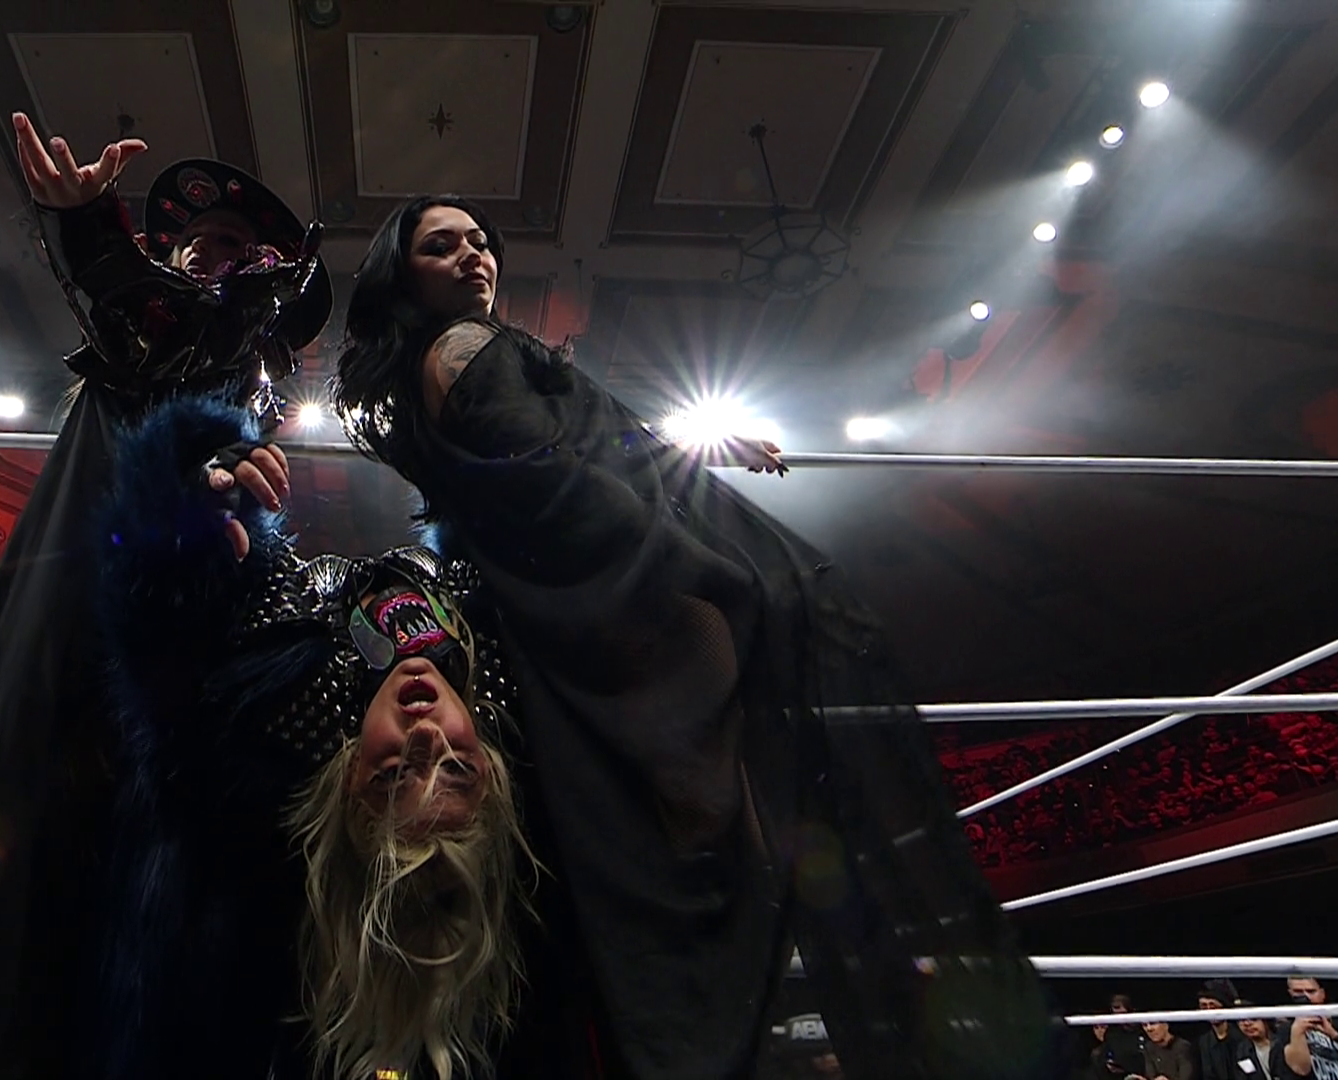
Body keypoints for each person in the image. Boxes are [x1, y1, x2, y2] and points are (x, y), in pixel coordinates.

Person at [330, 194, 1062, 1077]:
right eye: (440, 246)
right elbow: (542, 468)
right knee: (720, 833)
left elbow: (582, 444)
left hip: (592, 616)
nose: (471, 256)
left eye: (480, 242)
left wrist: (702, 453)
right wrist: (696, 563)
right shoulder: (461, 347)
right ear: (402, 274)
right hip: (616, 604)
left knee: (700, 845)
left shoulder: (460, 353)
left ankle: (739, 1029)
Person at [0, 120, 330, 1080]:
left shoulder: (228, 361)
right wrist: (88, 230)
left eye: (235, 243)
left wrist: (91, 233)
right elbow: (146, 320)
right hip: (78, 605)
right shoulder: (153, 338)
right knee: (46, 816)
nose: (208, 248)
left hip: (163, 630)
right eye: (197, 236)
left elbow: (186, 337)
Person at [73, 393, 540, 1076]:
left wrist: (194, 506)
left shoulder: (260, 721)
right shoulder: (517, 675)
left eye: (396, 776)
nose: (424, 739)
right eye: (455, 769)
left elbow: (151, 632)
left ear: (350, 777)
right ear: (493, 767)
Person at [1283, 976, 1338, 1080]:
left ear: (1322, 994)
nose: (1306, 997)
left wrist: (1335, 1035)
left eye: (1311, 991)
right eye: (1298, 992)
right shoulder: (1287, 1030)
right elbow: (1301, 1069)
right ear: (1290, 994)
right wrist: (1297, 1031)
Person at [1197, 979, 1248, 1080]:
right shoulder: (1204, 1041)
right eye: (1204, 1006)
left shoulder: (1242, 1036)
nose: (1209, 1011)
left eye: (1213, 1005)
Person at [1236, 1009, 1303, 1080]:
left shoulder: (1284, 1040)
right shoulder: (1242, 1049)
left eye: (1253, 1019)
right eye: (1241, 1020)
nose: (1247, 1024)